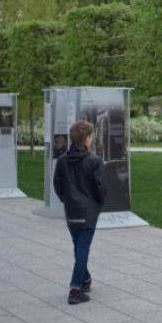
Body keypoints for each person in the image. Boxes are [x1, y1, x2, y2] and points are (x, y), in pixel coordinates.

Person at [53, 120, 108, 305]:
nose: (92, 139)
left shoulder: (62, 160)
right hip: (89, 211)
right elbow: (102, 188)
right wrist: (98, 203)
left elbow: (57, 185)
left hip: (71, 210)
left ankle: (85, 279)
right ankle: (76, 288)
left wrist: (67, 200)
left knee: (78, 246)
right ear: (86, 139)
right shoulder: (94, 161)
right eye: (91, 136)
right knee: (82, 247)